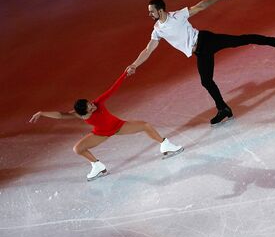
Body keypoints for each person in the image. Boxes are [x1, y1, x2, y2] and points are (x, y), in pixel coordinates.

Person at [125, 0, 275, 125]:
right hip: (200, 53)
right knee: (206, 81)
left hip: (206, 40)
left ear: (160, 10)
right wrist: (134, 65)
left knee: (242, 39)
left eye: (151, 11)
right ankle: (223, 109)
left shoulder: (177, 16)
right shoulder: (157, 29)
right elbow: (148, 49)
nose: (149, 14)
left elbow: (199, 6)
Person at [29, 72, 184, 181]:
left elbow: (112, 89)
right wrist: (42, 113)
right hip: (100, 134)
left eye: (91, 103)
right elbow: (61, 115)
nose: (93, 106)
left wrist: (125, 74)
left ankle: (165, 145)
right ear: (83, 113)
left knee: (145, 125)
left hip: (118, 126)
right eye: (90, 107)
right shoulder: (79, 114)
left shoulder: (98, 102)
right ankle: (97, 165)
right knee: (77, 149)